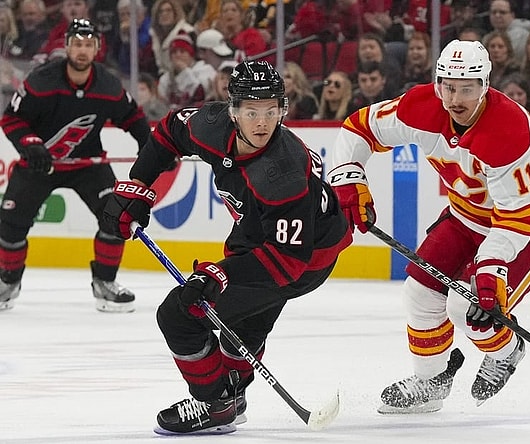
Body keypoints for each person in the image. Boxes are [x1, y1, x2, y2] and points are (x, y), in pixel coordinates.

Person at [327, 40, 530, 413]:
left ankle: (508, 349)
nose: (455, 98)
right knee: (419, 294)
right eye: (448, 86)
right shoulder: (420, 107)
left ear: (485, 85)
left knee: (469, 310)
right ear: (437, 83)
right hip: (467, 214)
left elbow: (517, 214)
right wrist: (348, 178)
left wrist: (491, 268)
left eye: (467, 88)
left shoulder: (508, 130)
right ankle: (431, 381)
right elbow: (359, 129)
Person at [102, 60, 352, 435]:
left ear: (283, 109)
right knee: (244, 324)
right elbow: (169, 131)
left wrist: (221, 273)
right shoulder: (210, 124)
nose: (263, 123)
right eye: (252, 111)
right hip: (255, 232)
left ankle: (214, 405)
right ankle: (230, 395)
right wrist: (139, 185)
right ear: (232, 110)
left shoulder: (283, 171)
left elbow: (287, 264)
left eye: (272, 110)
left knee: (180, 314)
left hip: (308, 256)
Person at [0, 19, 150, 313]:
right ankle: (8, 282)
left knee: (116, 216)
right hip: (40, 165)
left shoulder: (108, 86)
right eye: (77, 44)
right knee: (10, 224)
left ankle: (105, 284)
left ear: (96, 49)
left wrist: (151, 150)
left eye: (88, 45)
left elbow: (133, 117)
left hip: (88, 165)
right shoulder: (41, 81)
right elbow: (11, 119)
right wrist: (31, 143)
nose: (82, 50)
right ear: (67, 46)